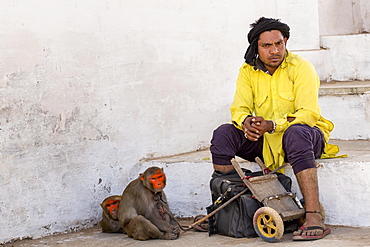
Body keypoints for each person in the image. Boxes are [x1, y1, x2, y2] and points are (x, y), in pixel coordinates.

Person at [210, 17, 340, 241]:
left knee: (296, 132)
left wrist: (272, 125)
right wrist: (246, 123)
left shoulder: (301, 68)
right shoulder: (247, 71)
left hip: (305, 137)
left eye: (278, 43)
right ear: (256, 48)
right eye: (267, 45)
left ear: (286, 42)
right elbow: (239, 108)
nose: (274, 50)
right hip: (266, 142)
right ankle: (225, 211)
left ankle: (313, 216)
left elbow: (308, 113)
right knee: (223, 135)